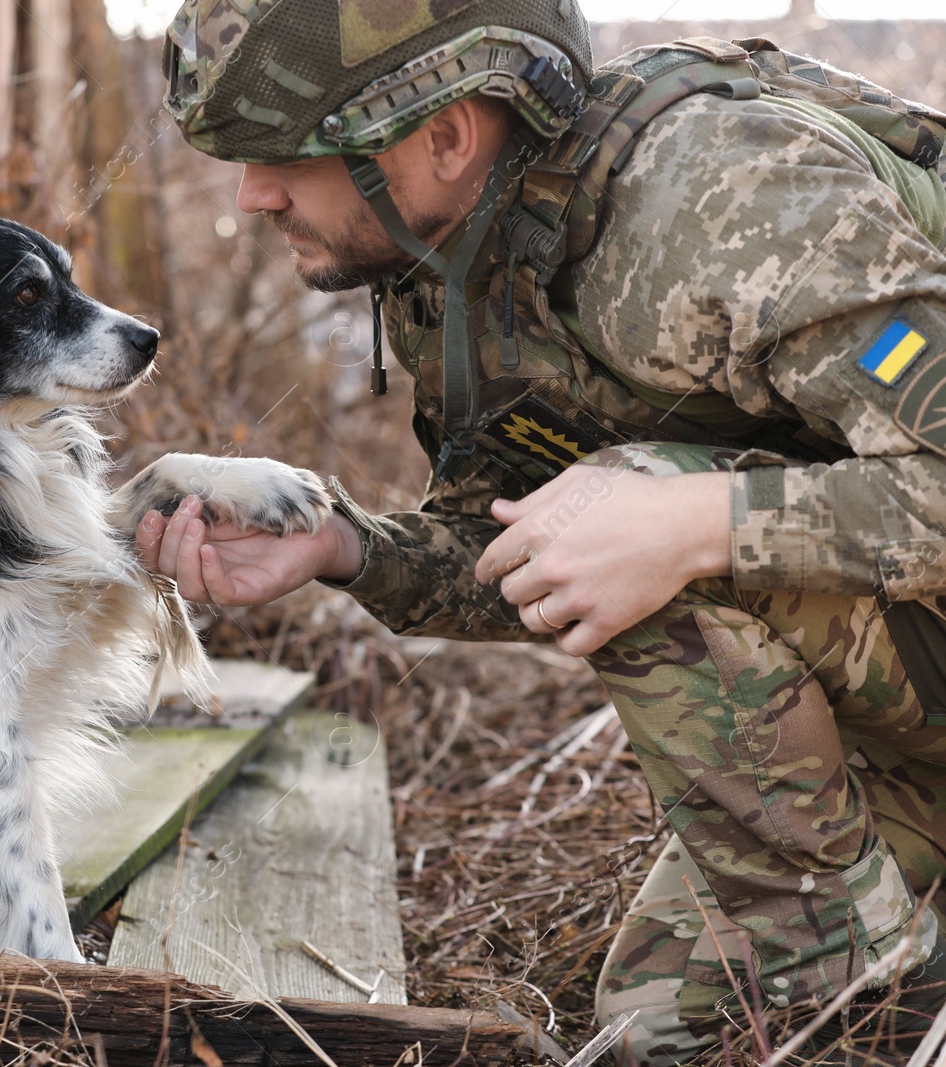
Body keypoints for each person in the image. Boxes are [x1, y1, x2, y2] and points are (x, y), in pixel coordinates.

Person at [140, 1, 946, 1063]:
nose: (252, 196)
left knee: (635, 500)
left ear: (444, 133)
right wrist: (345, 546)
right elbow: (534, 546)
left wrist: (690, 520)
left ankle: (868, 1007)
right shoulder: (466, 244)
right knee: (657, 1026)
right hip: (905, 682)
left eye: (286, 155)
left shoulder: (726, 194)